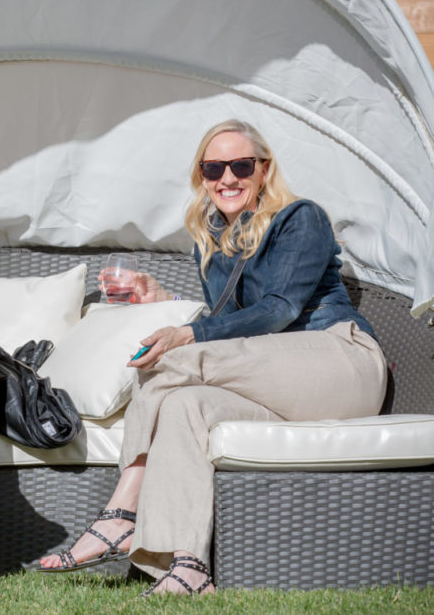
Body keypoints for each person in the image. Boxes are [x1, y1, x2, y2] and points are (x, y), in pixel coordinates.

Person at [37, 119, 387, 595]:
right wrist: (164, 297)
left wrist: (188, 332)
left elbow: (280, 310)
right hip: (280, 382)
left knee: (170, 360)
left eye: (241, 165)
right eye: (213, 167)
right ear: (201, 175)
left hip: (339, 361)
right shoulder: (215, 240)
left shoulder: (300, 218)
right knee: (186, 407)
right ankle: (187, 569)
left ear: (264, 170)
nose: (227, 178)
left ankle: (120, 513)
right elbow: (235, 328)